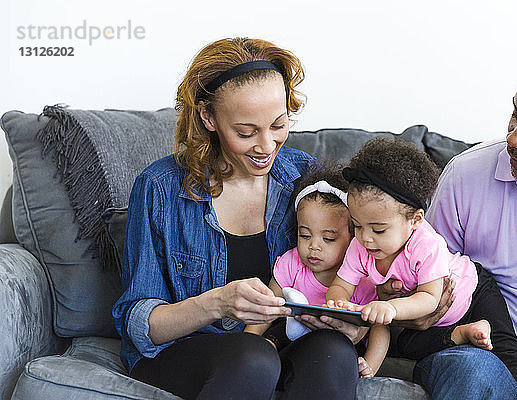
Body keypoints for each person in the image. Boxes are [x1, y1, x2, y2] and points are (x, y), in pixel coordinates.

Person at [112, 37, 362, 400]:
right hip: (185, 351)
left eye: (278, 125)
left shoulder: (304, 179)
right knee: (253, 357)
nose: (266, 146)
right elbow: (138, 325)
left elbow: (354, 269)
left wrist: (349, 324)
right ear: (208, 117)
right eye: (246, 132)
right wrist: (215, 303)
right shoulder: (160, 188)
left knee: (334, 352)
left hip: (277, 341)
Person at [382, 45, 517, 400]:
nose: (515, 138)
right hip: (479, 347)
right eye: (515, 116)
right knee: (471, 374)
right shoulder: (467, 174)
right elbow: (424, 276)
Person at [326, 137, 517, 398]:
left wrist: (390, 308)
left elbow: (429, 299)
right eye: (357, 225)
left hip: (471, 293)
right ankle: (460, 335)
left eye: (378, 229)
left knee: (505, 343)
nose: (365, 237)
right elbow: (341, 285)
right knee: (406, 347)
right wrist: (339, 304)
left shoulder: (426, 244)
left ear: (415, 220)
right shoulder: (361, 247)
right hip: (427, 320)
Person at [244, 165, 389, 378]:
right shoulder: (291, 263)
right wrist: (249, 341)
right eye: (304, 235)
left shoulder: (363, 279)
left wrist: (370, 365)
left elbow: (380, 328)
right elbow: (267, 304)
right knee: (273, 334)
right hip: (290, 342)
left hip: (340, 348)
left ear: (353, 238)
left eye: (328, 238)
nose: (314, 246)